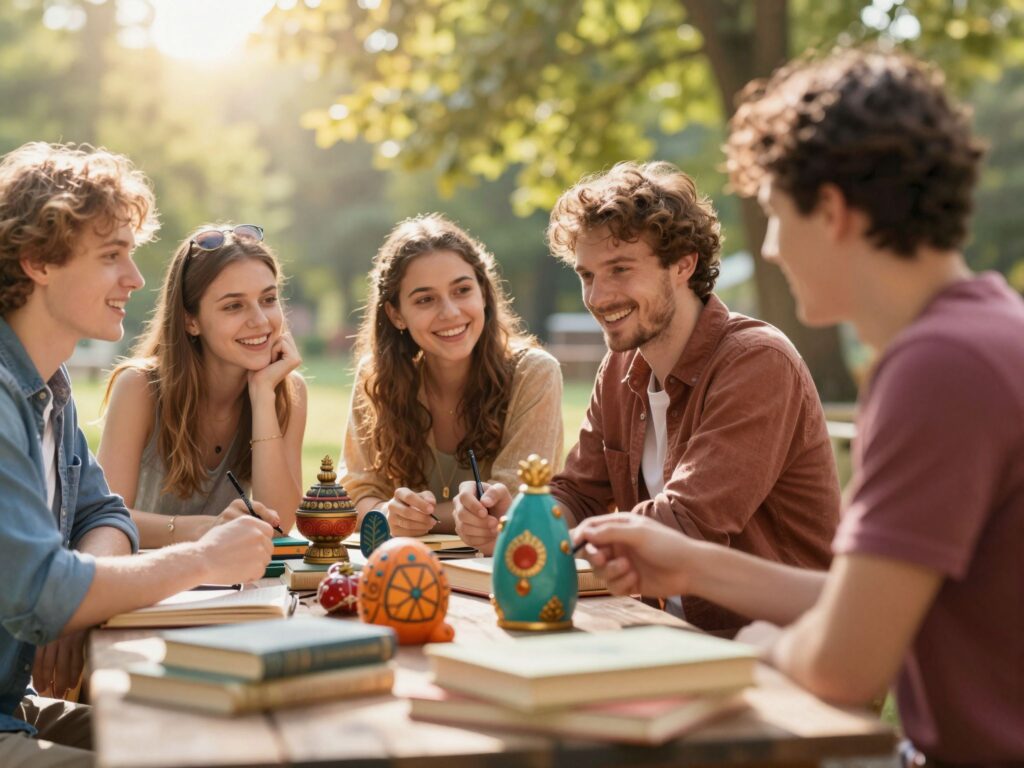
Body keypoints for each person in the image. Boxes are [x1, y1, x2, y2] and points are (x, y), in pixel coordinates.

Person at [574, 49, 1024, 765]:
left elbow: (843, 665)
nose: (774, 249)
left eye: (778, 217)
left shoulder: (939, 368)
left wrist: (758, 643)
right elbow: (858, 597)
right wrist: (688, 566)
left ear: (834, 211)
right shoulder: (980, 335)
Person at [454, 161, 840, 633]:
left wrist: (544, 537)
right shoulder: (621, 367)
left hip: (784, 649)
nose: (597, 296)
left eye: (619, 269)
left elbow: (685, 522)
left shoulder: (757, 362)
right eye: (587, 275)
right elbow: (578, 490)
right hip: (665, 630)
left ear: (683, 264)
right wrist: (518, 518)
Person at [0, 142, 276, 766]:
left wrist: (83, 597)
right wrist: (201, 558)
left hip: (13, 703)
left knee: (219, 745)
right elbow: (44, 592)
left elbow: (105, 516)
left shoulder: (50, 391)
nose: (136, 279)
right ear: (38, 260)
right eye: (111, 256)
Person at [341, 213, 564, 537]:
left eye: (461, 290)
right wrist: (385, 512)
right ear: (396, 314)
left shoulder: (534, 373)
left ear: (484, 293)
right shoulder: (376, 379)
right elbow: (354, 493)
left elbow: (516, 500)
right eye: (425, 299)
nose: (450, 312)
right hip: (406, 575)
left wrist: (416, 521)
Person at [98, 224, 306, 547]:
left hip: (231, 589)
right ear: (190, 320)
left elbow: (279, 522)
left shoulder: (286, 392)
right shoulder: (139, 389)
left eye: (268, 299)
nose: (261, 321)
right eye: (233, 306)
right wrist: (204, 529)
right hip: (146, 584)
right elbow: (103, 519)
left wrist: (263, 396)